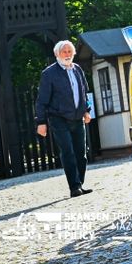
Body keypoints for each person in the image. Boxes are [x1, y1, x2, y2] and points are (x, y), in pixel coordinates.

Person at [34, 40, 93, 198]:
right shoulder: (49, 74)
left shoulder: (78, 70)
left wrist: (87, 111)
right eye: (64, 52)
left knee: (81, 154)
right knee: (68, 152)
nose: (67, 54)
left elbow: (83, 93)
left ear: (73, 53)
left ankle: (79, 183)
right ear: (57, 54)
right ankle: (74, 187)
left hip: (77, 118)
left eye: (69, 51)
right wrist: (41, 122)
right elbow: (42, 101)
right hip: (58, 119)